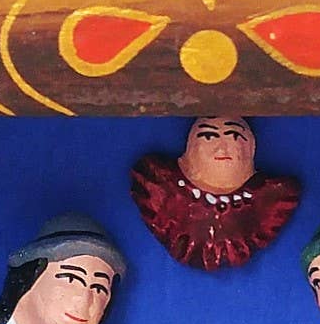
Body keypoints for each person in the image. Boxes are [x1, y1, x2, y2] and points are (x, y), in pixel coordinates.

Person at [128, 116, 302, 271]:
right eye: (209, 137)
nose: (221, 149)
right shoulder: (159, 186)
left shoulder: (271, 201)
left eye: (234, 136)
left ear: (251, 148)